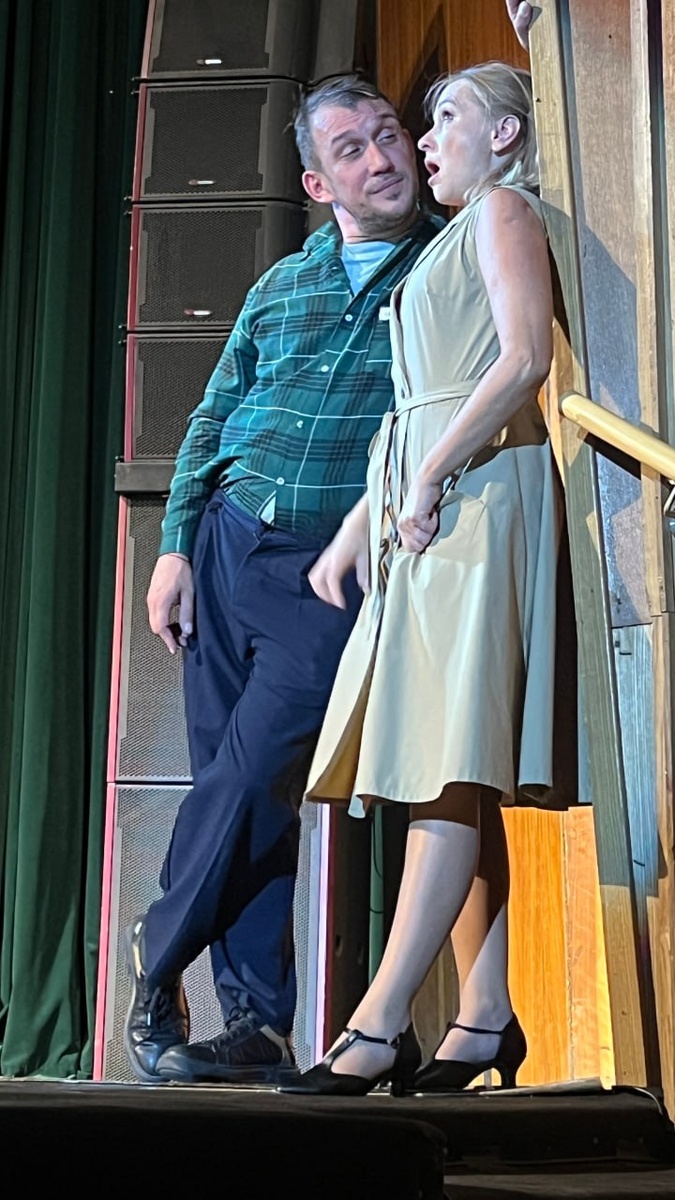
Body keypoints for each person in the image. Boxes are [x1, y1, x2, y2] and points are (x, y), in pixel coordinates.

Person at [122, 73, 444, 1086]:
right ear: (317, 183)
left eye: (388, 135)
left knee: (256, 772)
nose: (381, 158)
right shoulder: (282, 285)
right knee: (236, 783)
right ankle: (256, 1024)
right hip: (229, 542)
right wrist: (176, 546)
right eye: (352, 149)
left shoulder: (446, 263)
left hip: (332, 565)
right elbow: (213, 417)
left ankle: (156, 951)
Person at [280, 59, 575, 1099]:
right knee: (454, 769)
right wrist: (362, 523)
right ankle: (482, 1015)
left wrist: (430, 477)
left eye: (445, 117)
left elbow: (523, 359)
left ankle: (377, 1022)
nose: (422, 138)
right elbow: (420, 400)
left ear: (503, 135)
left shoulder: (502, 212)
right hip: (434, 500)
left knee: (444, 768)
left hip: (480, 497)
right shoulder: (453, 234)